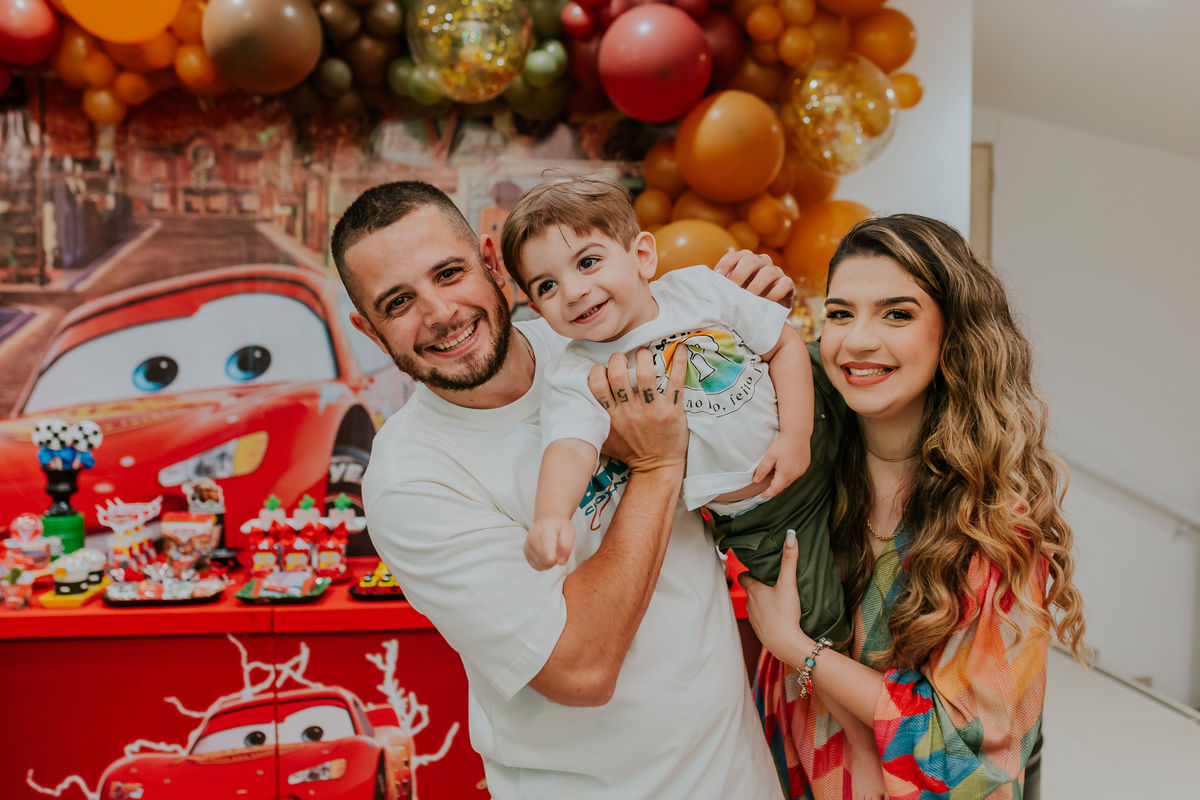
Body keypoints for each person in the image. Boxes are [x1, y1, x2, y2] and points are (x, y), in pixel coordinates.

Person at [331, 180, 786, 799]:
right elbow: (580, 668)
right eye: (397, 303)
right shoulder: (410, 479)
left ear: (492, 264)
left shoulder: (595, 331)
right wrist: (654, 466)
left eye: (449, 273)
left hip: (739, 775)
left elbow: (748, 401)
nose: (439, 313)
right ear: (368, 328)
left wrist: (752, 304)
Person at [500, 173, 882, 793]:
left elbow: (783, 344)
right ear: (535, 307)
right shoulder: (578, 374)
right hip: (761, 513)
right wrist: (551, 516)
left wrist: (796, 438)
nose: (573, 290)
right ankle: (862, 739)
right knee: (817, 615)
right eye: (547, 285)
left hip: (811, 435)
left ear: (642, 255)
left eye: (588, 261)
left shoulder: (699, 289)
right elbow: (567, 448)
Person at [739, 214, 1089, 800]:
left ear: (953, 335)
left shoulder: (996, 528)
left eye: (896, 314)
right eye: (840, 313)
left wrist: (798, 649)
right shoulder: (802, 472)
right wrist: (736, 315)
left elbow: (965, 761)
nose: (857, 340)